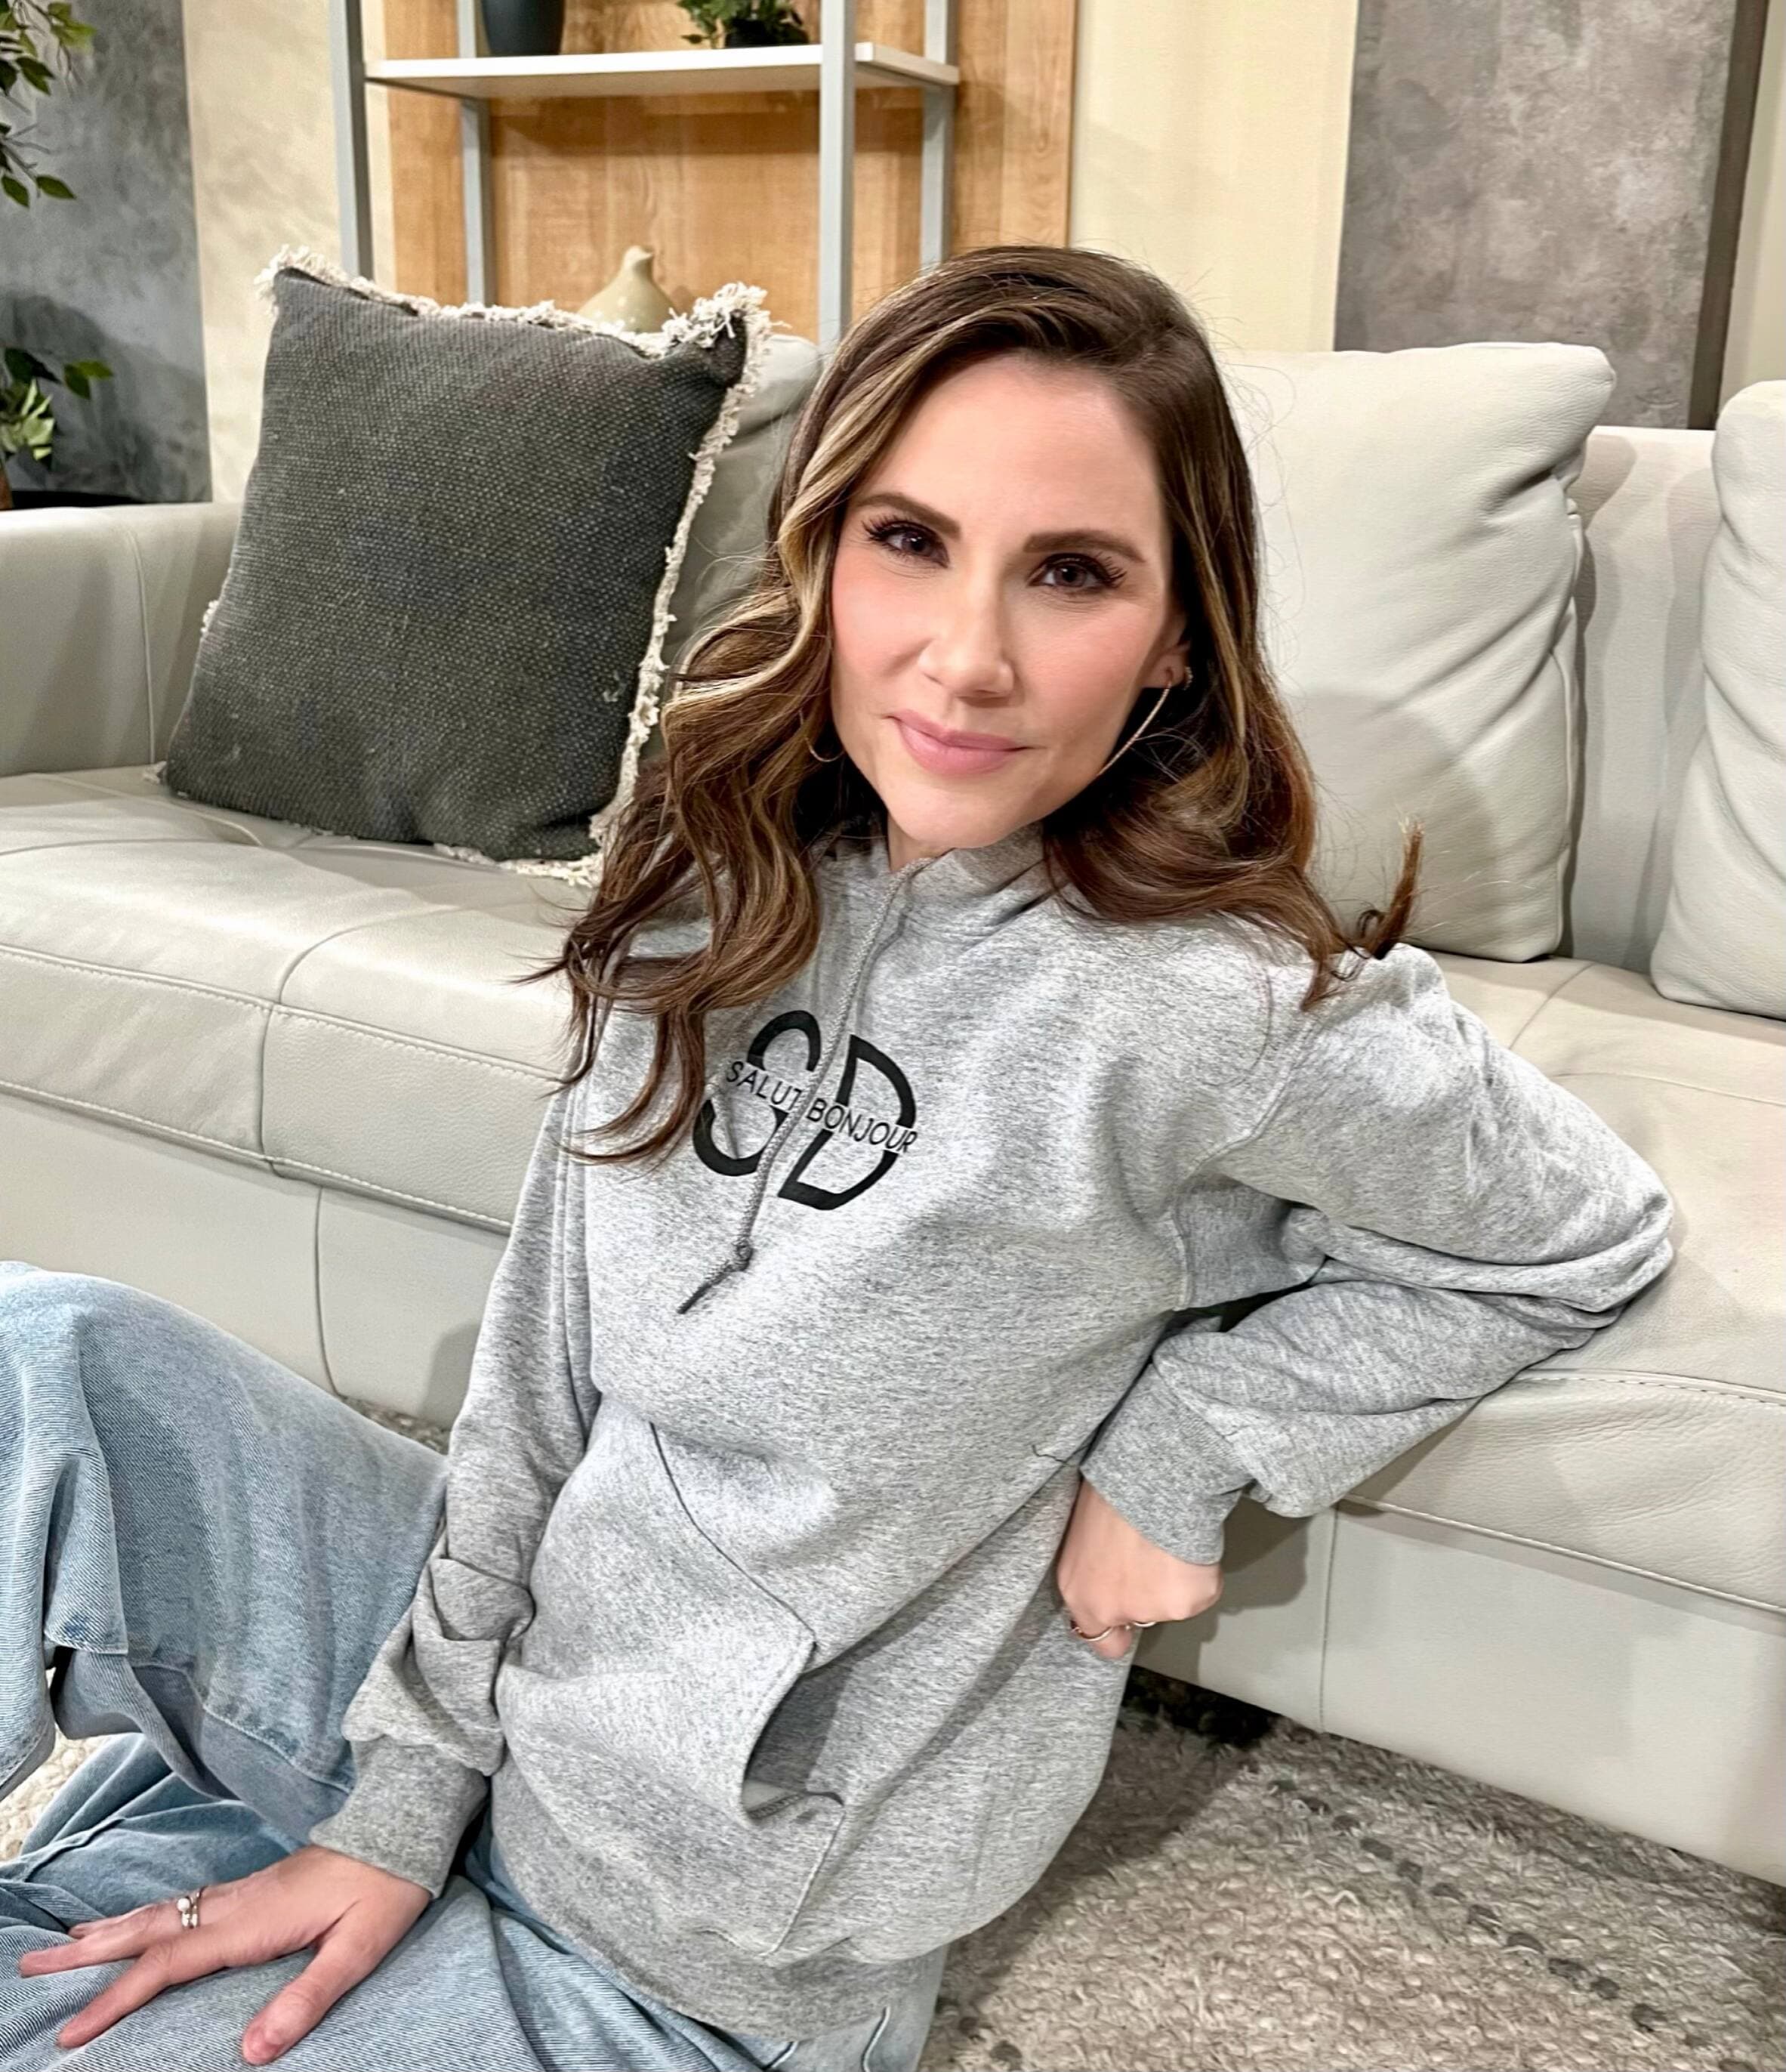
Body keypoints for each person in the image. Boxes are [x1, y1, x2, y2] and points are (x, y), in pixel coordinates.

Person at [0, 243, 1676, 2070]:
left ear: (1178, 634)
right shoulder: (722, 873)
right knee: (43, 1359)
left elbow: (1572, 1236)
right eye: (908, 539)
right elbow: (538, 1385)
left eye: (1072, 572)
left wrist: (1181, 1455)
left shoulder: (1213, 1009)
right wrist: (396, 1802)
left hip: (693, 1944)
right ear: (818, 553)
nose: (966, 656)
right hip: (466, 1695)